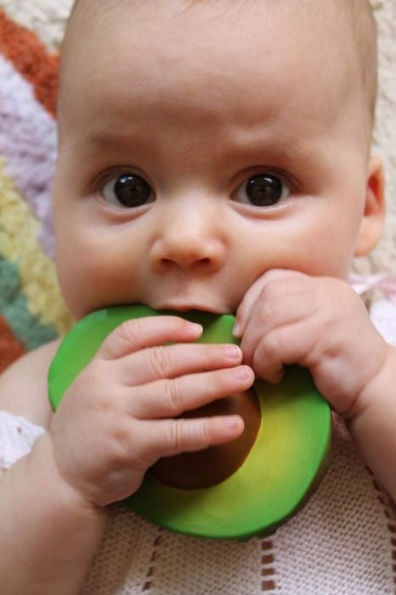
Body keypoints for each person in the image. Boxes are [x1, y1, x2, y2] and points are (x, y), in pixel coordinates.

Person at [1, 0, 396, 592]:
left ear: (364, 206)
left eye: (263, 188)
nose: (184, 240)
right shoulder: (40, 397)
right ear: (56, 198)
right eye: (127, 187)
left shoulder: (381, 348)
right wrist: (60, 478)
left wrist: (373, 387)